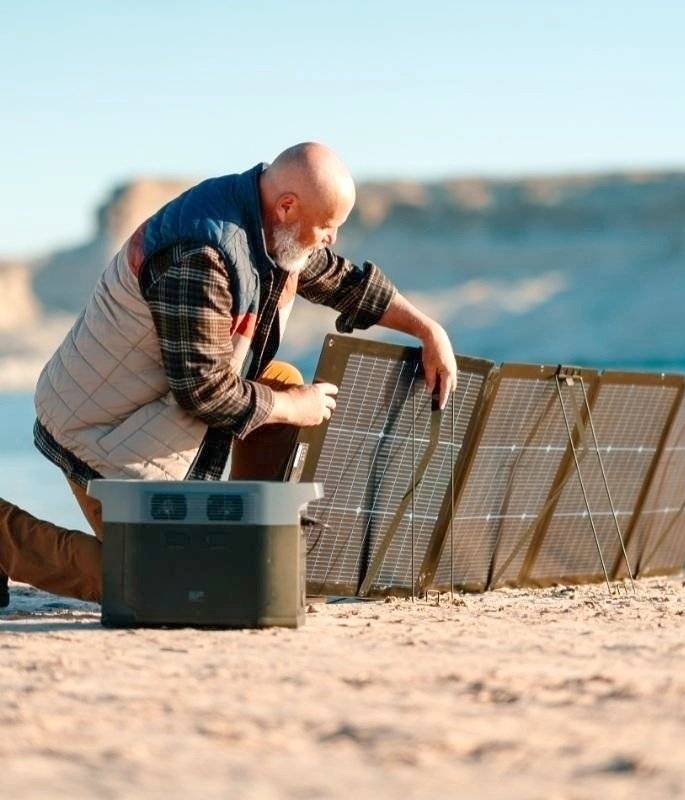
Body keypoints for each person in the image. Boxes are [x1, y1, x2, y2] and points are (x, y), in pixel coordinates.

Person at [0, 142, 457, 607]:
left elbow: (344, 281)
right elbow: (202, 391)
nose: (331, 240)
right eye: (327, 227)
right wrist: (294, 406)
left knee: (278, 377)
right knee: (160, 585)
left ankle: (249, 539)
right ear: (287, 206)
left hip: (155, 409)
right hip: (101, 429)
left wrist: (427, 329)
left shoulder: (274, 227)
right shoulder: (202, 254)